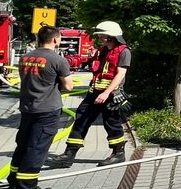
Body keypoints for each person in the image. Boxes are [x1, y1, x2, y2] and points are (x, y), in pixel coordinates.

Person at [9, 25, 74, 189]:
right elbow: (68, 86)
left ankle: (13, 180)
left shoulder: (26, 57)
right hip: (47, 110)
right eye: (60, 38)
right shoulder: (58, 60)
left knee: (23, 145)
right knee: (37, 148)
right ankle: (26, 188)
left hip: (27, 108)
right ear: (55, 39)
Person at [55, 21, 131, 168]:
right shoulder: (103, 50)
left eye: (102, 35)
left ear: (111, 36)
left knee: (111, 123)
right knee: (81, 118)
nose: (99, 37)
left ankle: (118, 153)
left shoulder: (124, 51)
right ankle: (69, 154)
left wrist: (107, 92)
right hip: (95, 92)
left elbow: (121, 74)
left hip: (111, 94)